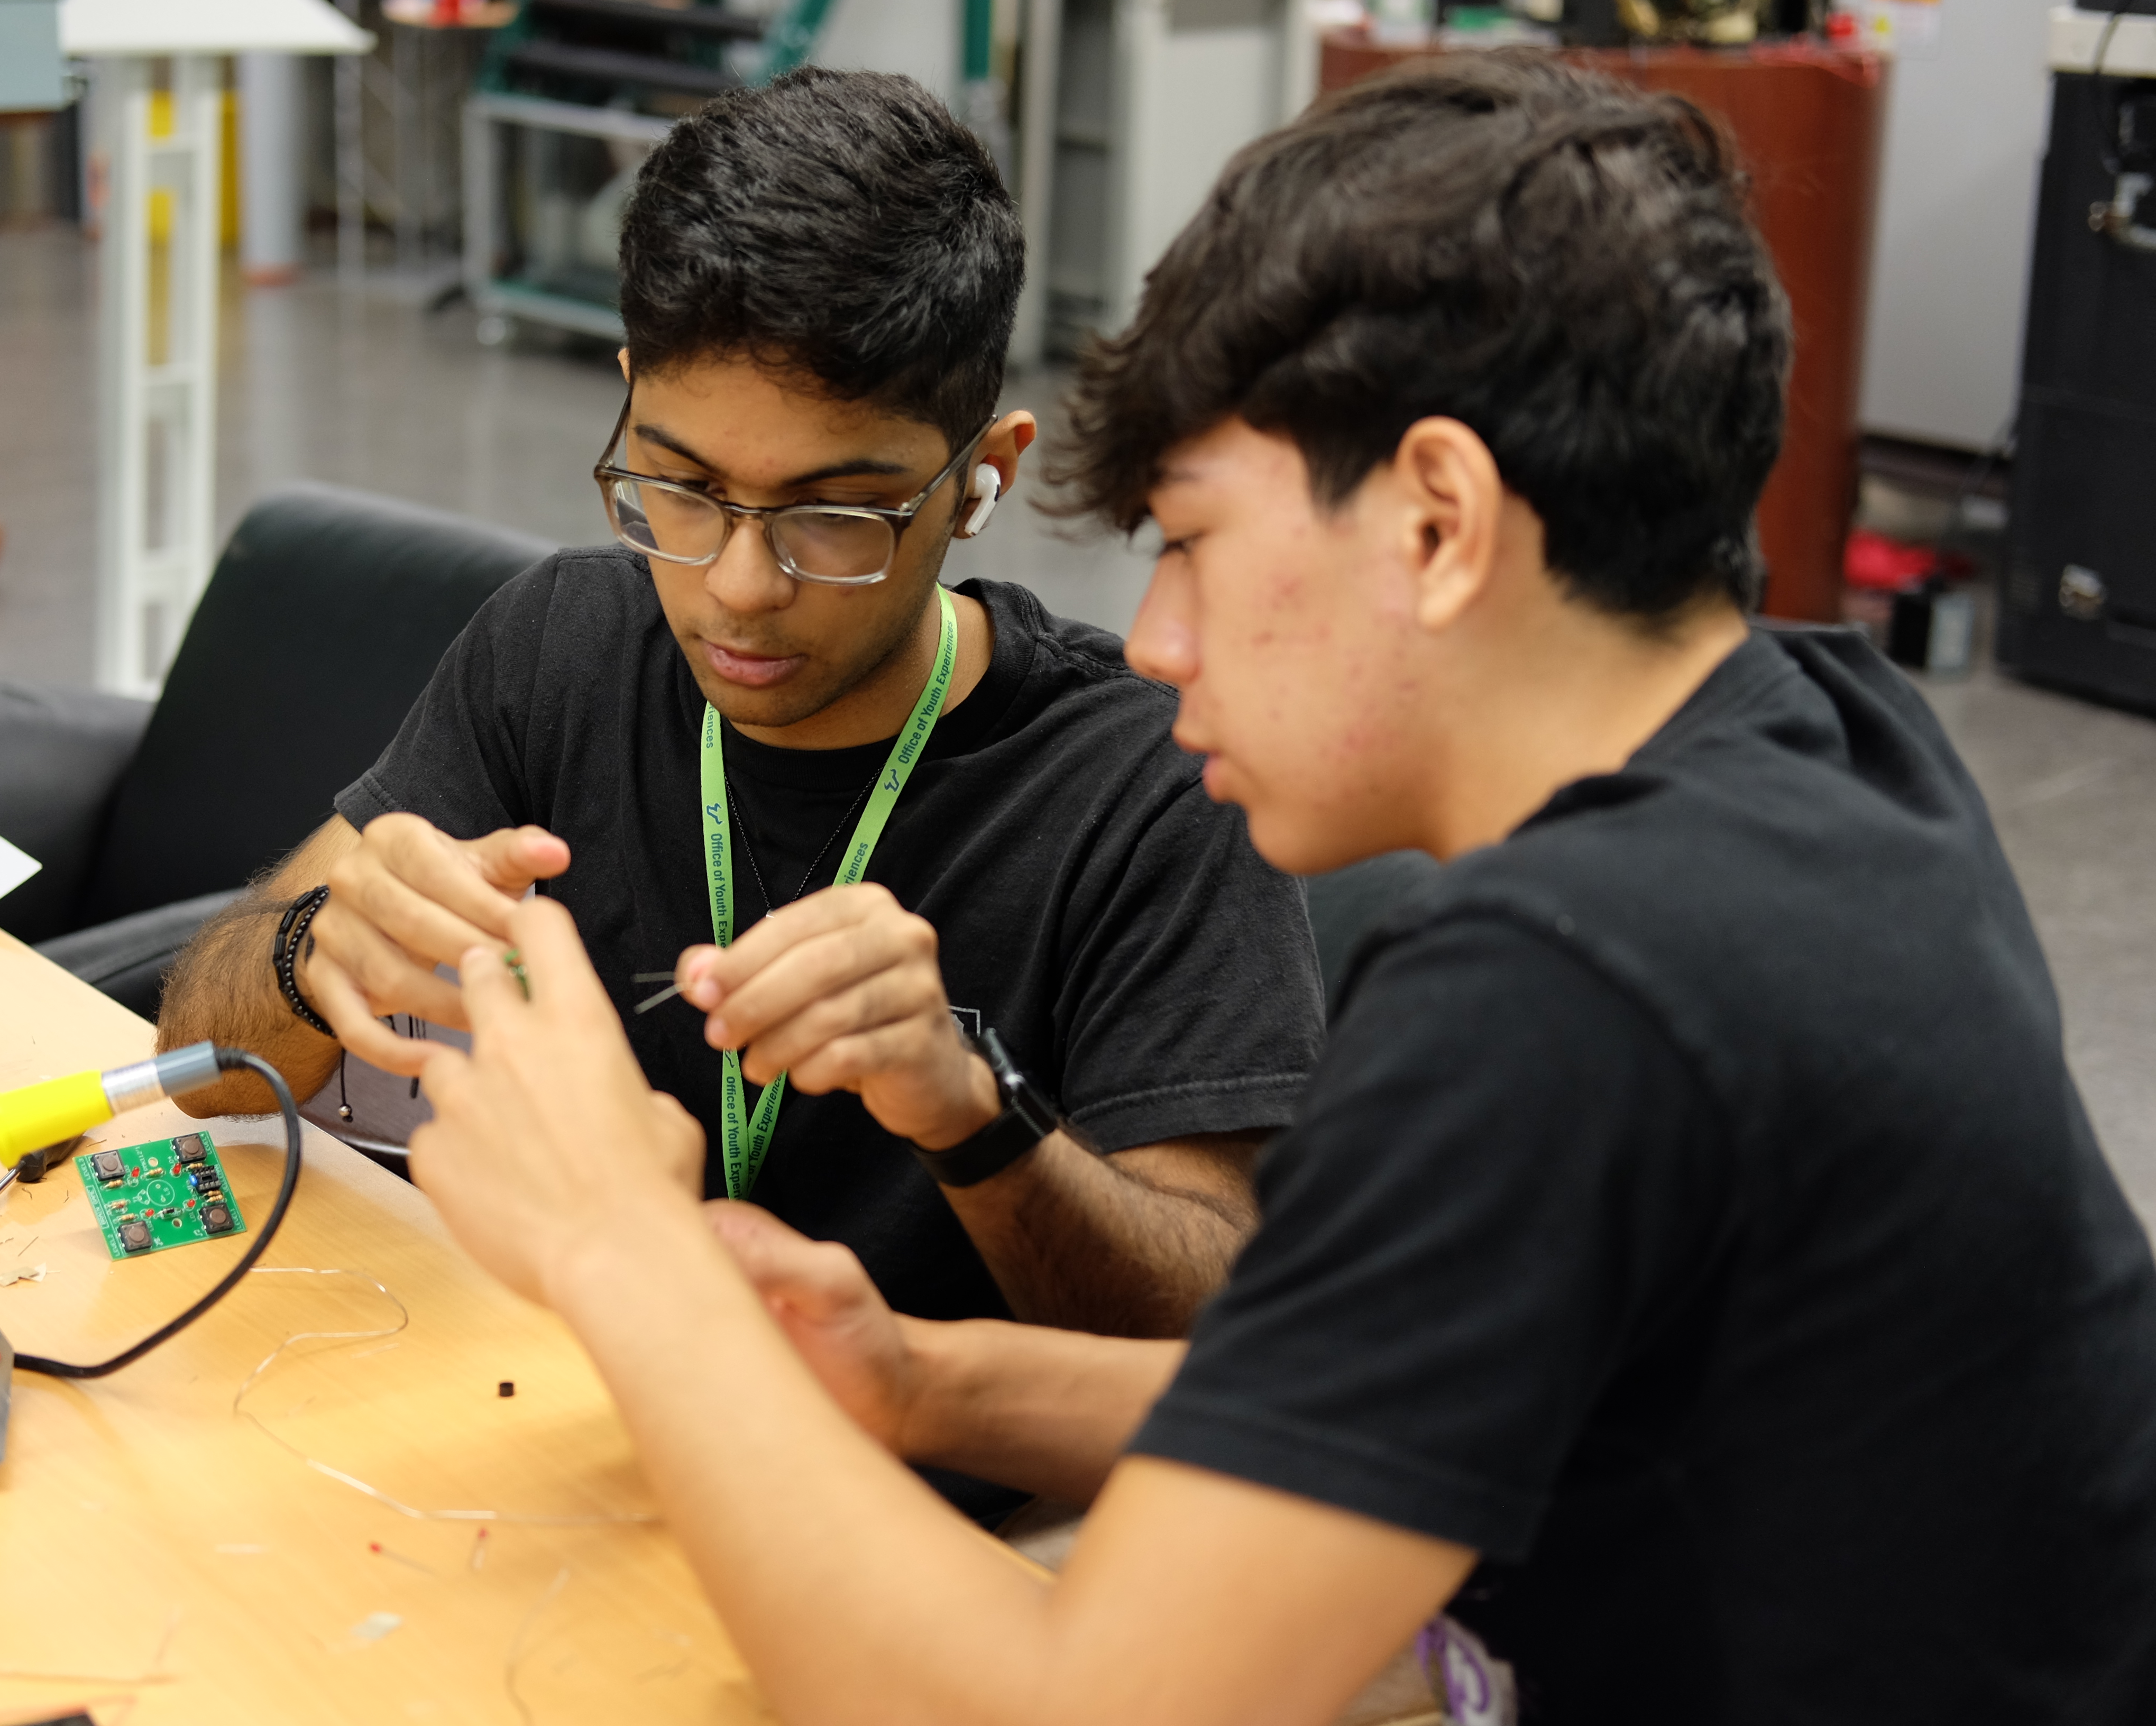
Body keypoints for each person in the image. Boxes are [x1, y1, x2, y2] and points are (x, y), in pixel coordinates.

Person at [389, 53, 2156, 1726]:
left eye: (1198, 544)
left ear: (1439, 520)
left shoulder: (1570, 986)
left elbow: (1081, 1707)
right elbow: (1363, 1398)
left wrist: (620, 1251)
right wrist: (933, 1379)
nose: (1157, 641)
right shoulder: (1823, 741)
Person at [155, 68, 1323, 1491]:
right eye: (683, 488)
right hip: (553, 1456)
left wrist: (970, 1109)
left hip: (914, 1539)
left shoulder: (1144, 783)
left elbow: (1219, 1353)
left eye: (839, 517)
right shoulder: (560, 645)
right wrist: (301, 954)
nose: (740, 589)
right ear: (633, 404)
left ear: (981, 477)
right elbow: (210, 1067)